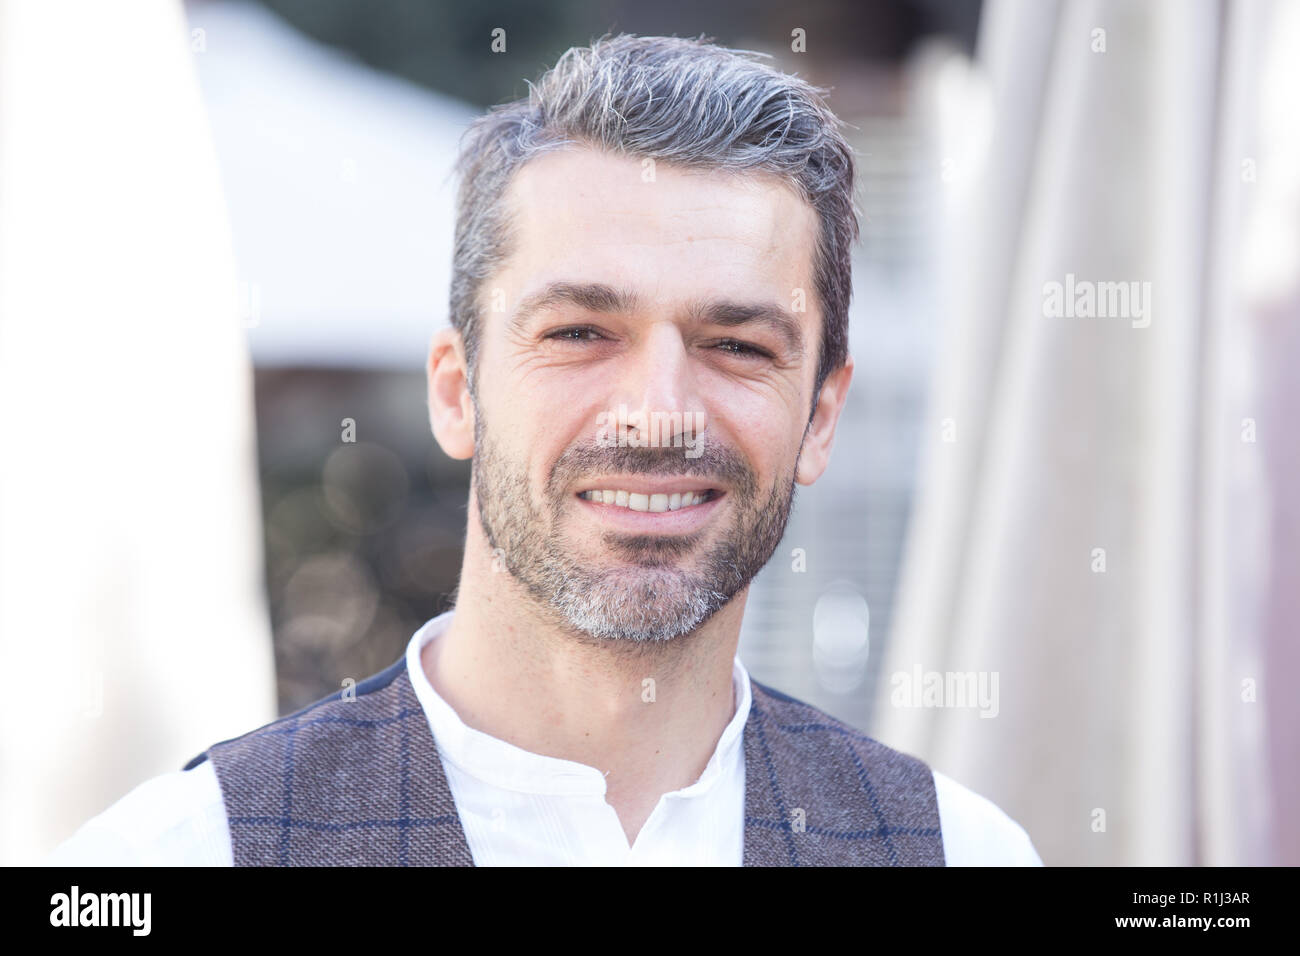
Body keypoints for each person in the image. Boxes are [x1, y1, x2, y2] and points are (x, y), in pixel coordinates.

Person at [47, 33, 1042, 866]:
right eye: (579, 333)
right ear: (457, 390)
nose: (657, 413)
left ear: (820, 416)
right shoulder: (177, 854)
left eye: (735, 345)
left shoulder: (965, 852)